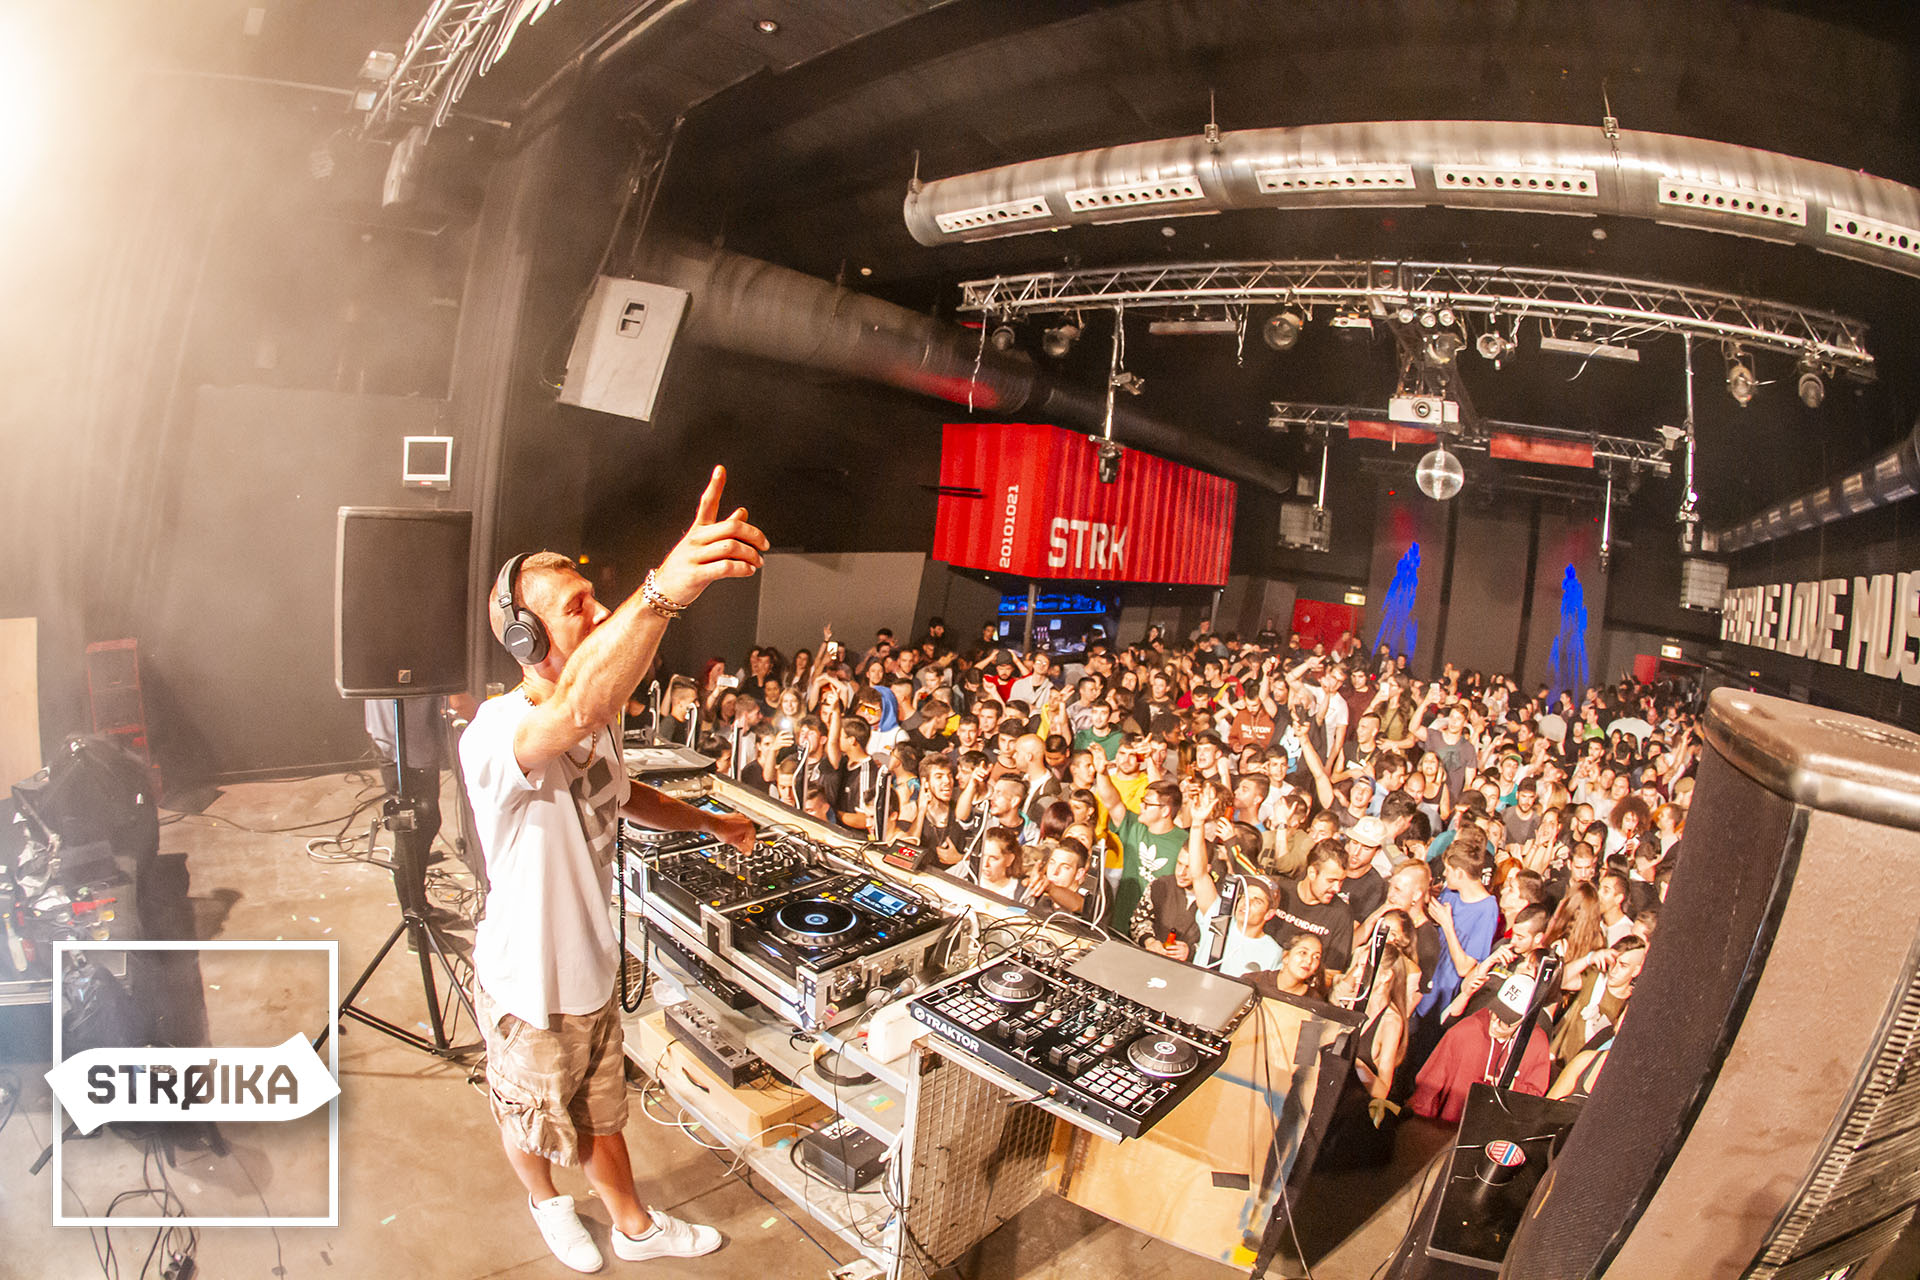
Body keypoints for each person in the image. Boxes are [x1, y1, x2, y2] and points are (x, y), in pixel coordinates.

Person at [460, 467, 765, 1270]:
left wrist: (712, 821)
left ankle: (634, 1227)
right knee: (529, 1116)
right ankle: (546, 1203)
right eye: (575, 608)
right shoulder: (496, 732)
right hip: (530, 985)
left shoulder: (598, 723)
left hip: (592, 970)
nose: (596, 613)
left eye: (596, 598)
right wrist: (663, 592)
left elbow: (623, 796)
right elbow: (575, 708)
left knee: (602, 1114)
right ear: (525, 639)